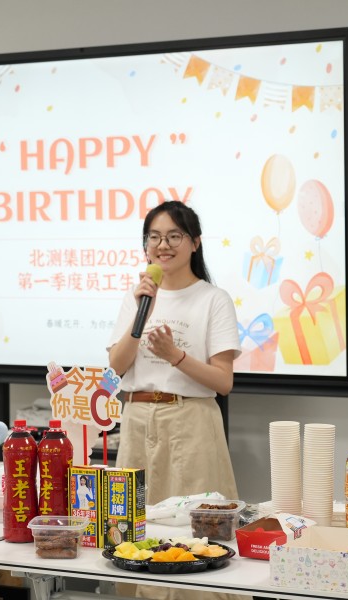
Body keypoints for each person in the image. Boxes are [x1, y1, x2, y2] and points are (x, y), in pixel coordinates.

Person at [107, 201, 244, 600]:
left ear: (194, 243)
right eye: (153, 237)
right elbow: (116, 367)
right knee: (133, 526)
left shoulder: (213, 299)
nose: (162, 245)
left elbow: (223, 381)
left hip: (191, 420)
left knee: (192, 530)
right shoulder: (137, 298)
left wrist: (175, 356)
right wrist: (140, 316)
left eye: (173, 236)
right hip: (137, 419)